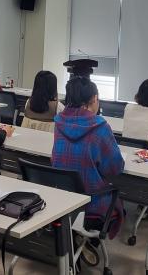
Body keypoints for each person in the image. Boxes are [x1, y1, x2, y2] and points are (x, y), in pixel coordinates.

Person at [52, 77, 124, 238]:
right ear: (94, 99)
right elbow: (115, 168)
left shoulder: (59, 122)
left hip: (62, 199)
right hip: (91, 204)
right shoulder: (100, 126)